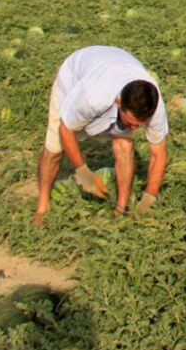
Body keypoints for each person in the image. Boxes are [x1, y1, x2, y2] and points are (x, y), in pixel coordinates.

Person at [34, 45, 169, 225]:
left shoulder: (155, 105)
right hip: (75, 75)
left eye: (140, 125)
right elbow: (66, 130)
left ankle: (120, 209)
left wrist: (149, 196)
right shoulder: (93, 97)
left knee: (124, 145)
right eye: (130, 123)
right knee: (54, 149)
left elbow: (158, 154)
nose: (134, 128)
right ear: (119, 102)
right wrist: (82, 171)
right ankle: (42, 207)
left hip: (113, 64)